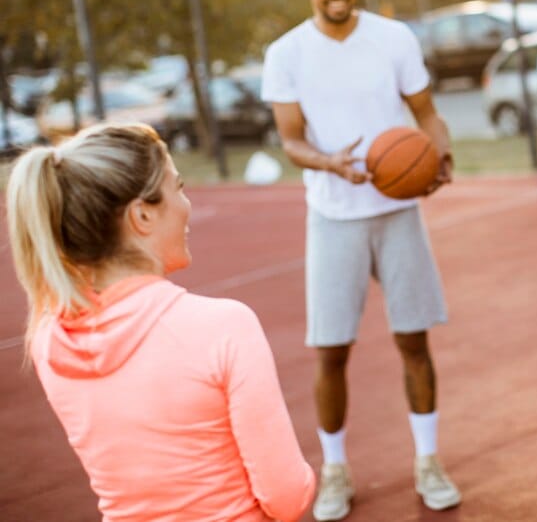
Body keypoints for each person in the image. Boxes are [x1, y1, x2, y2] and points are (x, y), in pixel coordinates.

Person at [6, 122, 315, 522]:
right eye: (179, 187)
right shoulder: (223, 326)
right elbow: (286, 497)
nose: (186, 204)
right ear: (142, 217)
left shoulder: (49, 340)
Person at [262, 0, 461, 521]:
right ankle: (334, 471)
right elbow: (291, 139)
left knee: (414, 342)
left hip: (398, 211)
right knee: (330, 350)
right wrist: (330, 164)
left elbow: (425, 114)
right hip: (332, 213)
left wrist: (440, 153)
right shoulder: (287, 53)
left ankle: (427, 461)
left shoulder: (393, 38)